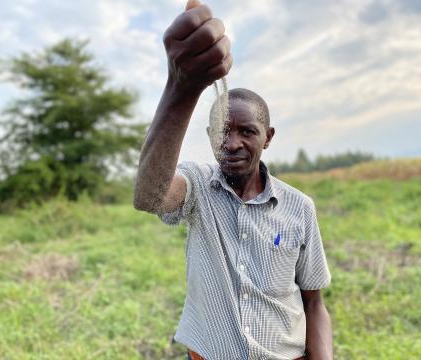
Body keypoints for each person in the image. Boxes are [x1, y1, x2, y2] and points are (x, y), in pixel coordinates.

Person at [133, 1, 333, 359]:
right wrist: (181, 88)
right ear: (210, 134)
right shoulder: (198, 188)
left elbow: (314, 303)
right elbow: (150, 195)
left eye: (247, 131)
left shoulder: (299, 208)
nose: (233, 143)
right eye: (223, 131)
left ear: (268, 137)